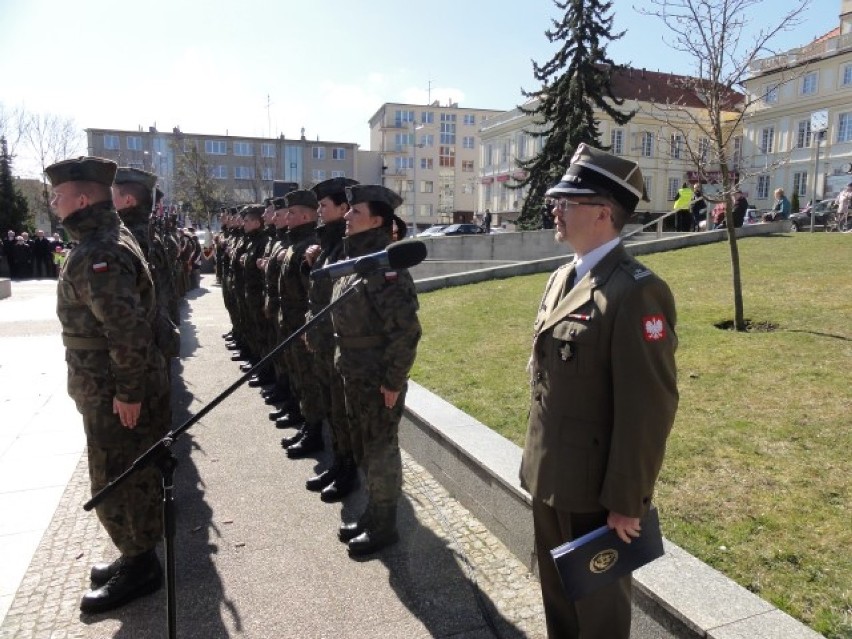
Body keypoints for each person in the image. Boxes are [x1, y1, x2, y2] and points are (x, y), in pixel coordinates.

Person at [519, 144, 679, 639]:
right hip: (550, 474)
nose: (556, 210)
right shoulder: (563, 275)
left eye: (567, 202)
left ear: (603, 213)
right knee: (559, 602)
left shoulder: (636, 291)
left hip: (595, 490)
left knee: (600, 615)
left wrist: (627, 500)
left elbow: (648, 408)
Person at [45, 156, 171, 614]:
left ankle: (141, 566)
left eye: (58, 196)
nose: (53, 203)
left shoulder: (100, 251)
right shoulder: (101, 239)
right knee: (123, 470)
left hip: (113, 388)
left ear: (82, 198)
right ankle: (133, 553)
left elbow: (127, 331)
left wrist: (129, 392)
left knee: (121, 473)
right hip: (106, 383)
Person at [331, 184, 422, 556]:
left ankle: (385, 526)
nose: (347, 217)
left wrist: (392, 381)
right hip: (355, 372)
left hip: (376, 377)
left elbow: (406, 332)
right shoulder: (358, 262)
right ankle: (373, 512)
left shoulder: (386, 268)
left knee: (381, 449)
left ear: (377, 220)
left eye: (355, 212)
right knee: (367, 447)